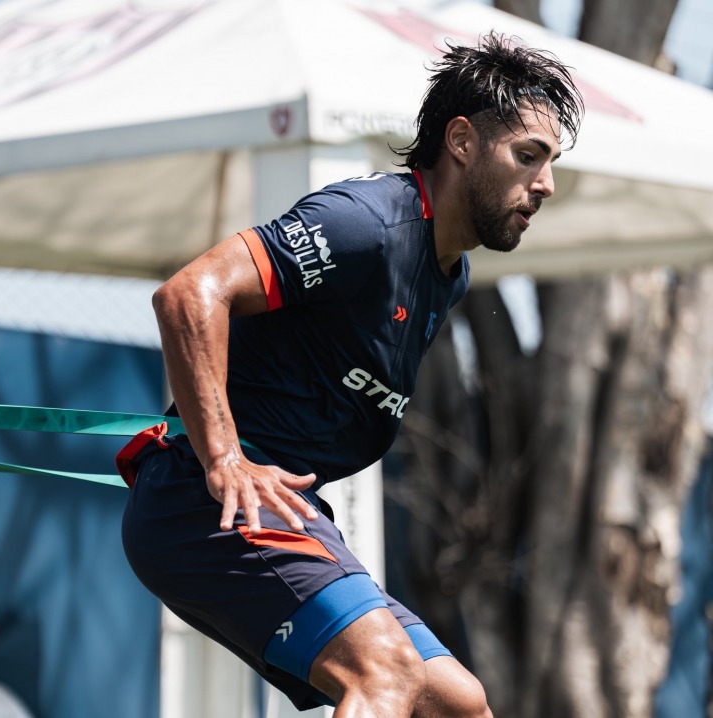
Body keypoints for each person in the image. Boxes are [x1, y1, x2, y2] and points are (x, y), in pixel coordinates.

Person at [118, 32, 583, 717]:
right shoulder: (364, 224)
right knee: (387, 675)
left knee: (460, 705)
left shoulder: (447, 274)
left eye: (550, 163)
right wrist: (224, 460)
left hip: (286, 511)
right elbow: (191, 294)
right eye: (528, 157)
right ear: (461, 142)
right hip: (208, 504)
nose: (544, 184)